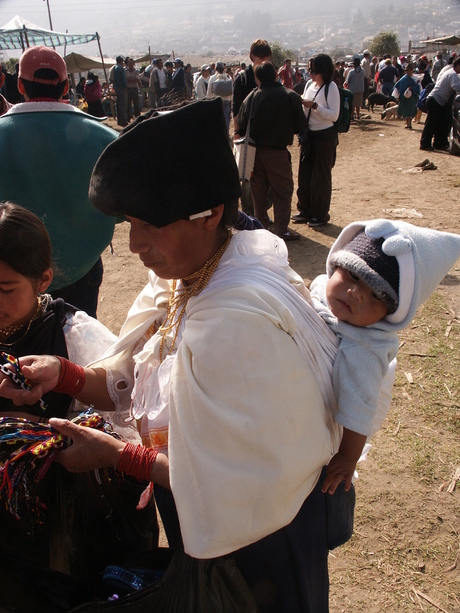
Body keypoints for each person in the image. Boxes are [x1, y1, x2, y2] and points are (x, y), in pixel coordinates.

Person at [1, 99, 348, 612]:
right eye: (129, 223)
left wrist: (115, 454)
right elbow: (139, 375)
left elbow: (228, 480)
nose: (135, 243)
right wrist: (65, 375)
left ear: (209, 215)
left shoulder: (235, 323)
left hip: (262, 537)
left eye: (149, 223)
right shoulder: (188, 277)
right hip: (216, 524)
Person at [0, 202, 158, 609]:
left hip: (65, 528)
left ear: (44, 279)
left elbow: (124, 421)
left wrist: (33, 433)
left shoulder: (74, 336)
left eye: (5, 290)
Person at [309, 219, 460, 496]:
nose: (355, 293)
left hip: (328, 431)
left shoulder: (365, 348)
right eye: (353, 276)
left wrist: (346, 457)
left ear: (391, 313)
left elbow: (359, 407)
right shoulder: (320, 286)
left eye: (376, 294)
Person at [0, 46, 118, 318]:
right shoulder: (104, 138)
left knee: (21, 355)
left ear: (19, 84)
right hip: (83, 270)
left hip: (14, 279)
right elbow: (122, 208)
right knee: (77, 345)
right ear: (65, 86)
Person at [237, 61, 306, 241]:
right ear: (276, 74)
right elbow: (300, 126)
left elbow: (241, 124)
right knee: (282, 192)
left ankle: (262, 230)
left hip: (254, 154)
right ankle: (281, 230)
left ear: (257, 77)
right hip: (277, 153)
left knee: (258, 193)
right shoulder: (290, 96)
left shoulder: (251, 97)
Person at [293, 53, 340, 228]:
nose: (311, 74)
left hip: (324, 137)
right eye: (309, 70)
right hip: (309, 136)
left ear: (323, 71)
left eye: (314, 71)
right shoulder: (309, 85)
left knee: (321, 177)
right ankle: (304, 210)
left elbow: (334, 115)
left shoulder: (331, 87)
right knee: (304, 174)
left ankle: (320, 214)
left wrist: (314, 106)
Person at [232, 39, 272, 216]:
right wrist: (236, 132)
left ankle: (262, 211)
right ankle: (249, 214)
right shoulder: (243, 79)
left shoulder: (272, 75)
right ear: (251, 57)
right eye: (260, 57)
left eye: (266, 57)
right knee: (248, 176)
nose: (263, 61)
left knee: (268, 175)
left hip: (269, 135)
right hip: (247, 134)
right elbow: (236, 109)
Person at [420, 56, 460, 151]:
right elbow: (457, 87)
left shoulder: (449, 72)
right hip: (435, 100)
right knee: (431, 123)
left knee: (441, 123)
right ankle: (424, 144)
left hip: (438, 101)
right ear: (458, 65)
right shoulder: (453, 74)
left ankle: (439, 143)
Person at [393, 63, 421, 129]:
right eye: (407, 70)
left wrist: (412, 88)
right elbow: (398, 88)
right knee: (406, 111)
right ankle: (407, 123)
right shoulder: (403, 79)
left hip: (413, 98)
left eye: (410, 70)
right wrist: (397, 97)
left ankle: (410, 124)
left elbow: (419, 87)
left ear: (412, 71)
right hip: (404, 98)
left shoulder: (416, 79)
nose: (409, 72)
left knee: (411, 111)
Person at [207, 60, 232, 132]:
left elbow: (209, 93)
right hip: (227, 103)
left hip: (216, 102)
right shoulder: (228, 77)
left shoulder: (212, 78)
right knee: (226, 122)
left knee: (217, 122)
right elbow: (231, 93)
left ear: (215, 69)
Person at [109, 55, 128, 127]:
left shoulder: (114, 68)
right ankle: (123, 120)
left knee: (118, 104)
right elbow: (123, 79)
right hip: (122, 88)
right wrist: (126, 86)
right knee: (123, 105)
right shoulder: (121, 68)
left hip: (116, 87)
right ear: (121, 61)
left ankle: (119, 120)